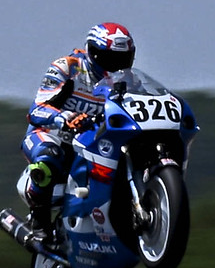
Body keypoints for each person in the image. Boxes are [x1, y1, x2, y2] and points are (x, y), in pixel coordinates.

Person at [20, 22, 136, 230]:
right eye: (110, 58)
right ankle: (39, 221)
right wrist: (64, 118)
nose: (116, 66)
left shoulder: (128, 82)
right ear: (93, 52)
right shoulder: (68, 67)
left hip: (91, 145)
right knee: (49, 156)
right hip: (51, 136)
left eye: (122, 59)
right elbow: (36, 111)